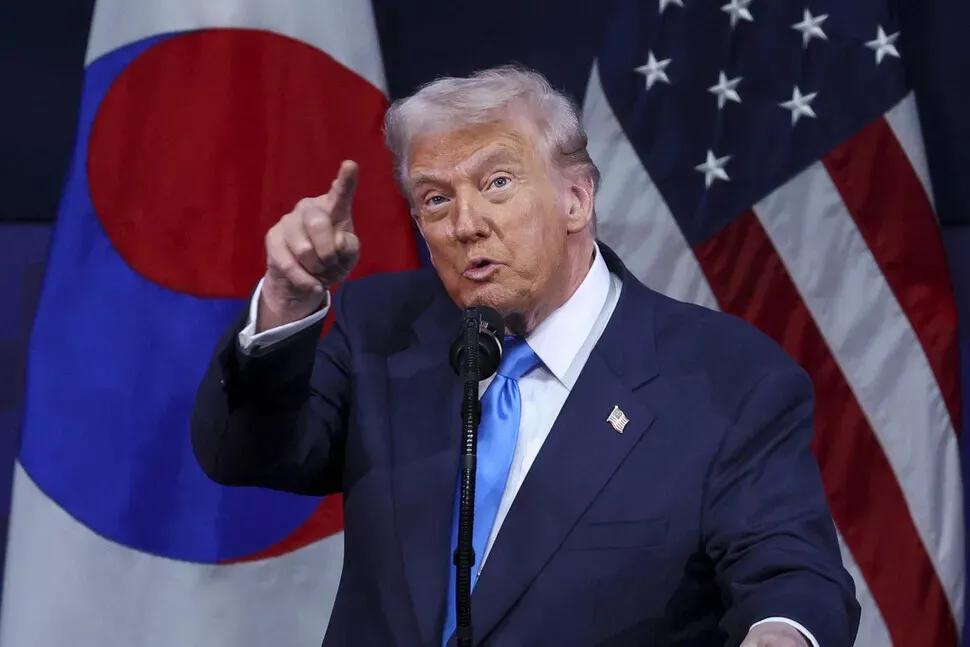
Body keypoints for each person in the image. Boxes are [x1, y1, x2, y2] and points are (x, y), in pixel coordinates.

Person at [190, 65, 860, 647]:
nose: (466, 223)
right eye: (435, 198)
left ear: (576, 197)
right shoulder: (380, 329)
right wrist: (287, 298)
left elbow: (791, 573)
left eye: (499, 181)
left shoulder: (726, 378)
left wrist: (778, 631)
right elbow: (243, 452)